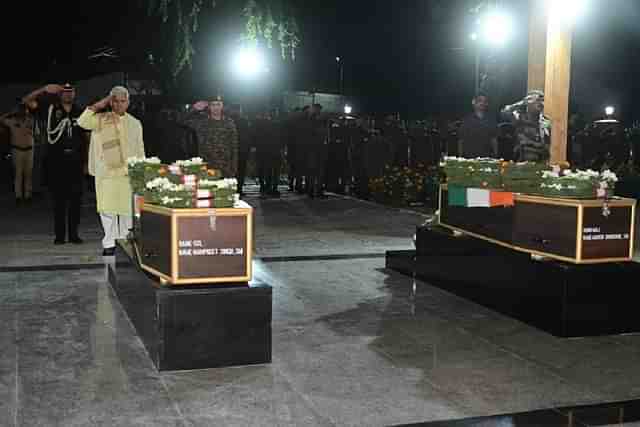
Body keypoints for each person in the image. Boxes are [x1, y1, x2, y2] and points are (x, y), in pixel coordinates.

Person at [77, 86, 145, 256]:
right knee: (108, 210)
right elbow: (82, 121)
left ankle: (124, 242)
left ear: (128, 102)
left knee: (127, 211)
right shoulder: (100, 119)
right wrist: (103, 102)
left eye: (123, 101)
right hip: (106, 173)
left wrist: (141, 172)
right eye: (115, 100)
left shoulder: (135, 123)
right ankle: (109, 244)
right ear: (111, 101)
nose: (119, 104)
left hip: (127, 173)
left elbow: (140, 149)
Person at [22, 83, 88, 244]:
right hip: (56, 162)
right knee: (58, 201)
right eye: (64, 92)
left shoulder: (80, 111)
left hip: (76, 161)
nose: (67, 95)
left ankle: (73, 234)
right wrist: (43, 90)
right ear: (59, 94)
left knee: (75, 201)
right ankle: (59, 235)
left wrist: (87, 162)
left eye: (70, 92)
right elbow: (26, 101)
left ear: (74, 94)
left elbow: (87, 138)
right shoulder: (50, 110)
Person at [179, 95, 239, 178]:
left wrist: (234, 168)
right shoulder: (201, 122)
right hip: (207, 166)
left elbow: (234, 146)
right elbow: (181, 120)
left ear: (222, 106)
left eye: (218, 104)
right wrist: (194, 108)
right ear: (209, 107)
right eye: (213, 105)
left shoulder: (229, 123)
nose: (216, 107)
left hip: (225, 168)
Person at [501, 90, 551, 162]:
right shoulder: (519, 117)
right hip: (522, 160)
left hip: (539, 162)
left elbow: (547, 145)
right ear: (528, 101)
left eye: (543, 100)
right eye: (537, 100)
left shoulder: (546, 122)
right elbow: (504, 112)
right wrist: (522, 102)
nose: (541, 103)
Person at [0, 103, 35, 205]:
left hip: (29, 150)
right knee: (18, 174)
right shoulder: (12, 121)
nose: (23, 112)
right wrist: (11, 113)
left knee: (28, 174)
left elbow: (38, 130)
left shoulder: (31, 121)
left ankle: (28, 196)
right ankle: (18, 197)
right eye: (21, 110)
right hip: (17, 150)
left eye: (25, 110)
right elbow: (1, 119)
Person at [458, 92, 498, 158]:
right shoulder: (466, 120)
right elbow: (461, 140)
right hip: (469, 158)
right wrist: (460, 156)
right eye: (479, 100)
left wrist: (496, 154)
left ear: (487, 104)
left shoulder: (491, 120)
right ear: (473, 102)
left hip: (486, 158)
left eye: (484, 101)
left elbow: (494, 139)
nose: (482, 103)